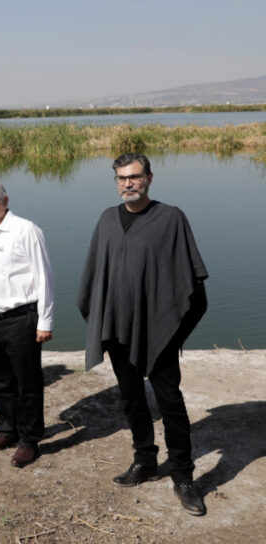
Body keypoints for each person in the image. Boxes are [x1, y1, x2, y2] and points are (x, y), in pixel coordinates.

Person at [78, 153, 209, 516]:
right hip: (119, 331)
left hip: (160, 334)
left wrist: (174, 333)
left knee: (170, 404)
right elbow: (94, 279)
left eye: (134, 177)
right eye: (121, 178)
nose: (128, 184)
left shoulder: (171, 219)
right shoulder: (107, 220)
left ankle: (183, 476)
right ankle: (145, 460)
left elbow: (194, 289)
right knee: (132, 398)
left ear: (149, 178)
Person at [0, 180, 54, 468]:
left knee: (27, 382)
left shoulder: (26, 230)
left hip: (22, 318)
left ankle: (29, 441)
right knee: (0, 381)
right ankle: (8, 430)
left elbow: (44, 277)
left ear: (5, 201)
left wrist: (45, 321)